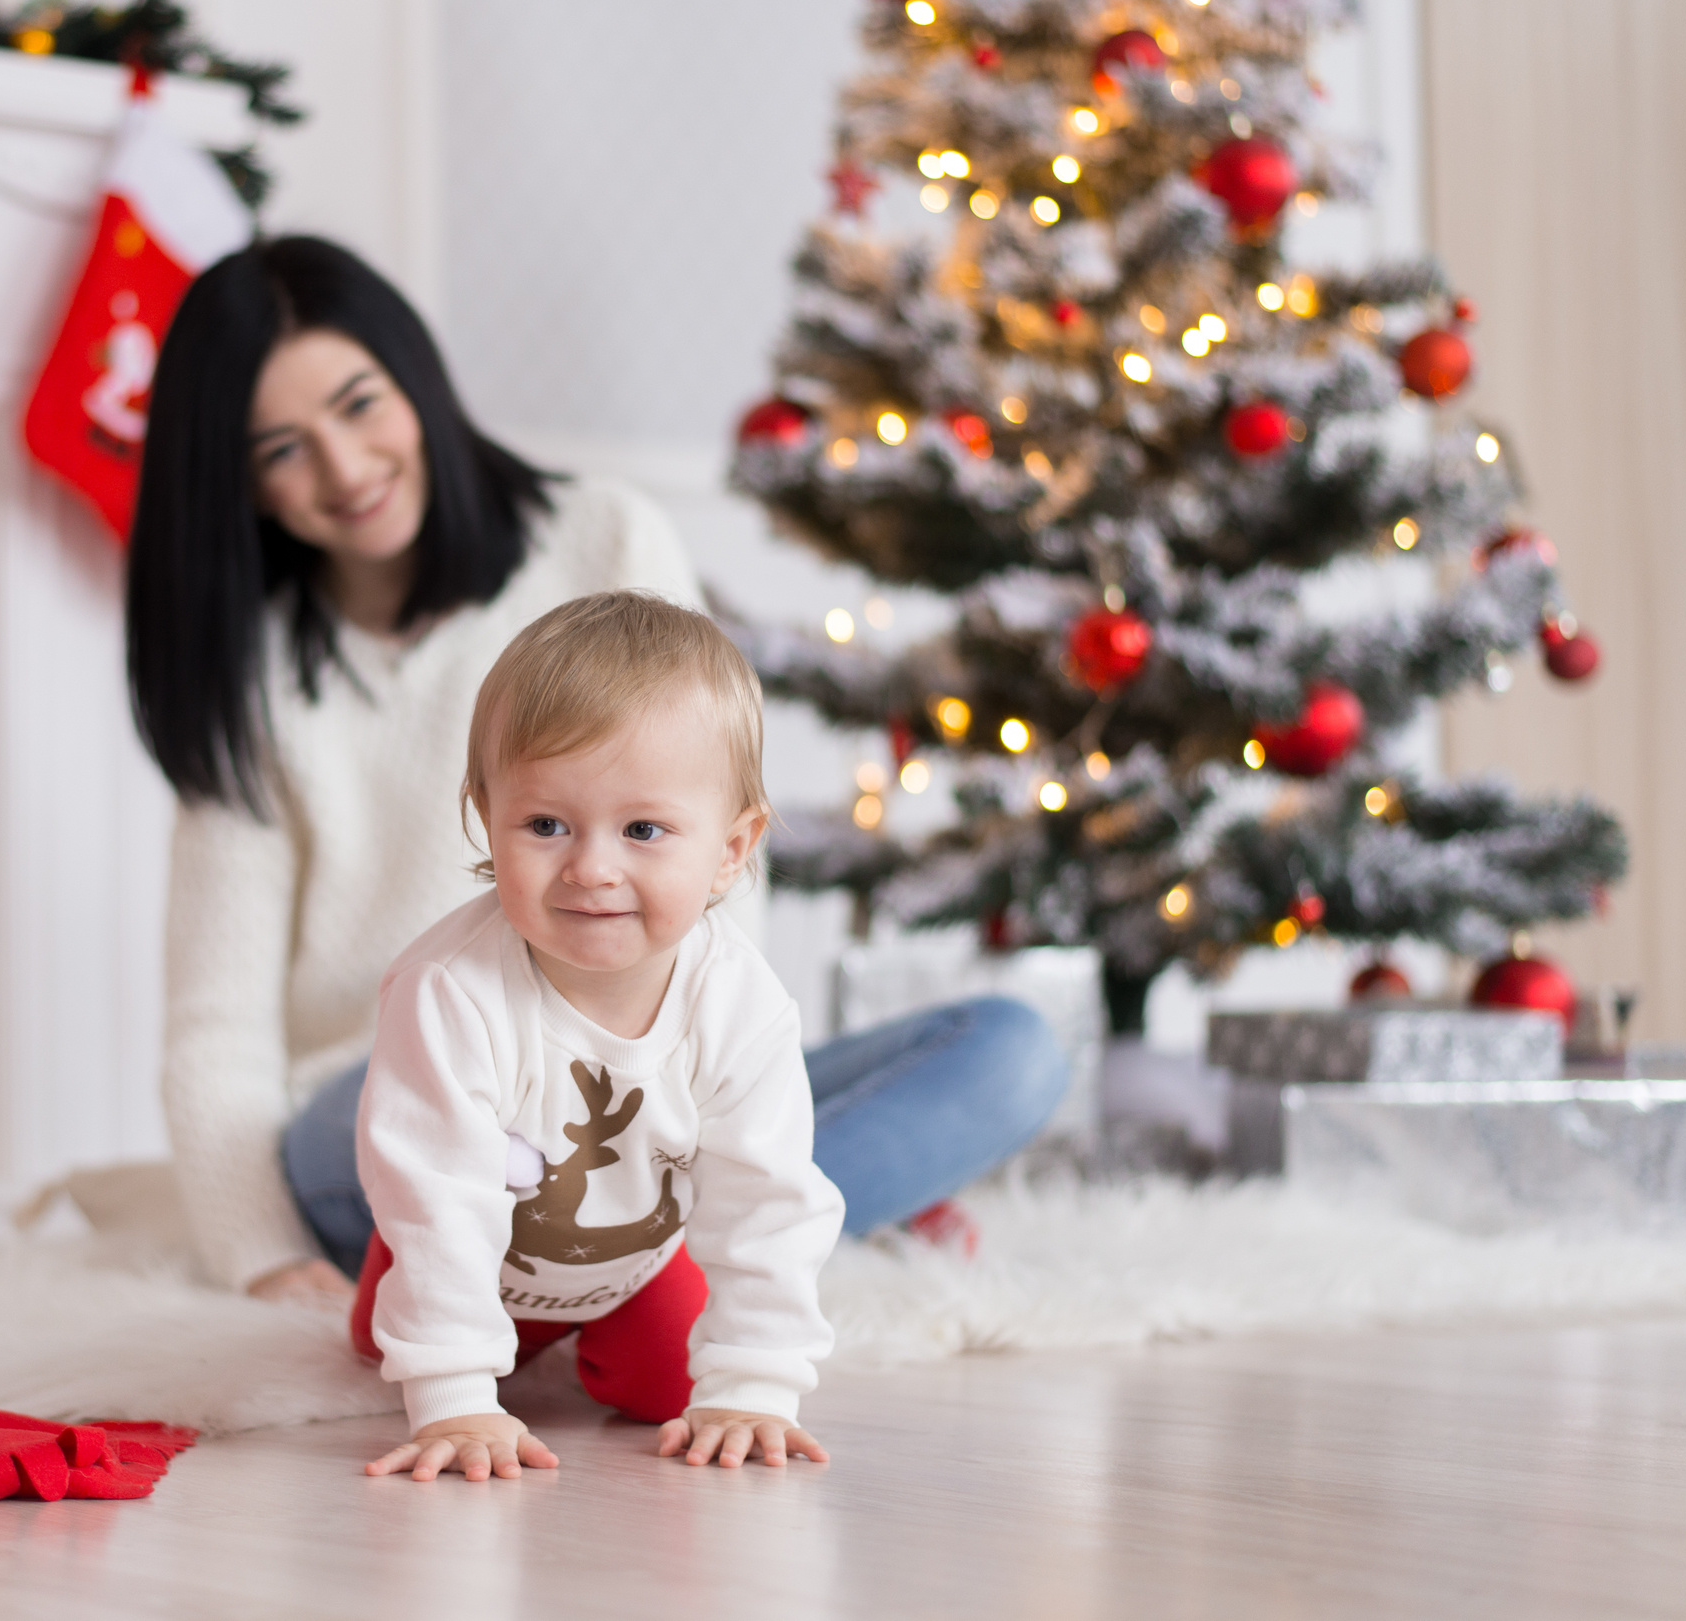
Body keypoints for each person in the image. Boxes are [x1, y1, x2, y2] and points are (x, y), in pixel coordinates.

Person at [125, 235, 1066, 1309]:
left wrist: (698, 1058)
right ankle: (749, 1242)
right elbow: (216, 1023)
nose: (343, 468)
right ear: (237, 482)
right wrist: (261, 1255)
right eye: (280, 449)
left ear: (415, 382)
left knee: (1009, 1050)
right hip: (398, 1094)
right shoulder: (248, 671)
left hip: (638, 1057)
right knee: (418, 1100)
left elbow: (706, 834)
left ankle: (621, 1274)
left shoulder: (603, 534)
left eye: (358, 404)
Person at [353, 593, 841, 1481]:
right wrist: (455, 1395)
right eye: (545, 825)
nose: (591, 868)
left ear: (733, 848)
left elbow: (765, 1197)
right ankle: (413, 1307)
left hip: (631, 1266)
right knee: (383, 1341)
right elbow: (438, 1200)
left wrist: (756, 1385)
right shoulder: (449, 990)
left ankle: (591, 1338)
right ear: (485, 816)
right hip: (474, 1241)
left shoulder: (739, 1002)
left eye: (644, 830)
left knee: (668, 1389)